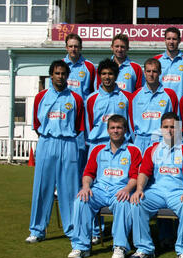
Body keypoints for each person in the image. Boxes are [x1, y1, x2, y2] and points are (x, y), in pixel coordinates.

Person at [67, 115, 142, 258]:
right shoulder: (98, 149)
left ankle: (119, 247)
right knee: (81, 200)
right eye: (112, 128)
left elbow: (135, 177)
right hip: (99, 190)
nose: (115, 131)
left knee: (123, 202)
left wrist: (127, 189)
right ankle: (81, 247)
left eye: (119, 128)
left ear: (125, 130)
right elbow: (88, 173)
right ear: (107, 130)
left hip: (120, 189)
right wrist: (86, 186)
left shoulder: (133, 150)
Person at [26, 60, 85, 243]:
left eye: (63, 74)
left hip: (68, 143)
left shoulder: (75, 99)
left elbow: (78, 125)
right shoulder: (40, 97)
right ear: (51, 75)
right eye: (57, 73)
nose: (60, 77)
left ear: (68, 76)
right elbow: (37, 124)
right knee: (43, 187)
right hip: (47, 142)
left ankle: (72, 228)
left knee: (69, 189)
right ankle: (37, 230)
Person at [130, 112, 183, 258]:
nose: (169, 130)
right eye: (165, 127)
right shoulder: (152, 148)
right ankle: (144, 248)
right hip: (156, 192)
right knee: (137, 202)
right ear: (160, 129)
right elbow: (144, 172)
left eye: (173, 127)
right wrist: (139, 189)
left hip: (177, 192)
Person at [85, 59, 133, 243]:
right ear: (99, 76)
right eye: (104, 74)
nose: (107, 77)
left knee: (121, 186)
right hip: (98, 146)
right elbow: (89, 124)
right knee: (95, 189)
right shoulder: (91, 99)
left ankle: (122, 231)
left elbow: (130, 122)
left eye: (111, 74)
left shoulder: (126, 97)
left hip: (121, 146)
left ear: (116, 76)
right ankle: (96, 231)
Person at [63, 33, 97, 178]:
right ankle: (61, 185)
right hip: (65, 116)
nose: (73, 49)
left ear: (81, 47)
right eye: (70, 46)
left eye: (76, 46)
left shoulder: (89, 67)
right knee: (65, 152)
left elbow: (94, 92)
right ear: (66, 47)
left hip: (82, 116)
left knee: (82, 151)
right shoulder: (61, 65)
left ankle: (81, 185)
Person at [129, 58, 178, 153]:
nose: (151, 74)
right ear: (144, 72)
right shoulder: (135, 96)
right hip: (140, 141)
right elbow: (131, 123)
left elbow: (176, 121)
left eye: (154, 71)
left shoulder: (170, 95)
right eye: (148, 71)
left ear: (160, 72)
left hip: (162, 140)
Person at [154, 27, 183, 101]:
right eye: (168, 39)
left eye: (174, 39)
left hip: (182, 105)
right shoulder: (156, 60)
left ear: (179, 40)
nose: (171, 42)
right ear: (164, 40)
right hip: (161, 104)